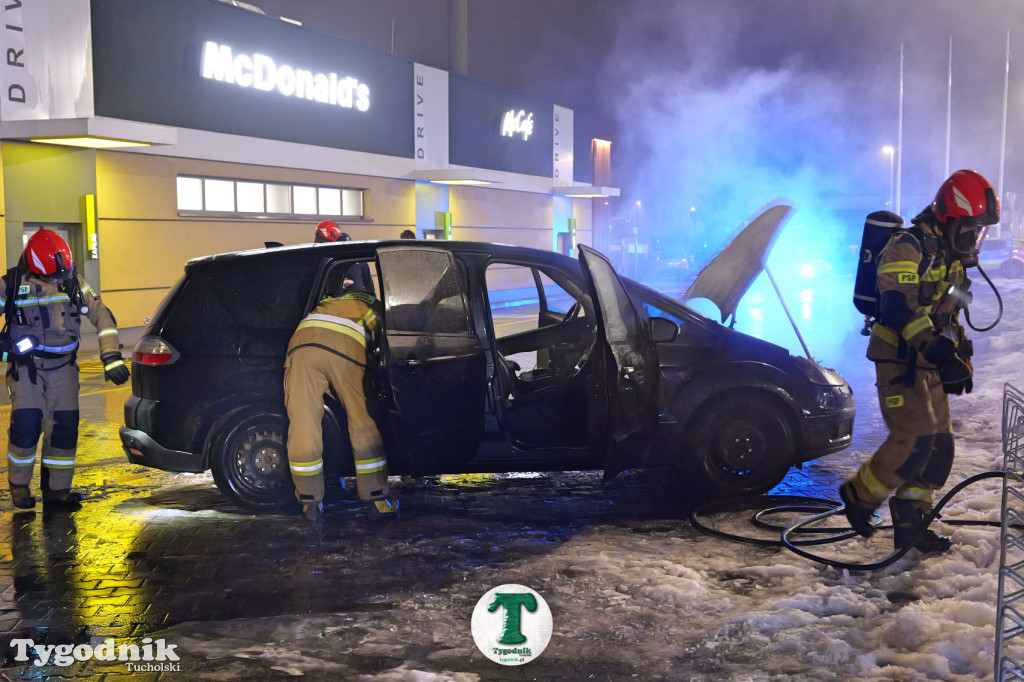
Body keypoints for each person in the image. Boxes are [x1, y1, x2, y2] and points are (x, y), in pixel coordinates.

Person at [839, 169, 999, 554]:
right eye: (970, 229)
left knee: (939, 447)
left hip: (930, 361)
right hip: (898, 358)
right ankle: (859, 496)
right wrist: (939, 352)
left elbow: (950, 314)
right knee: (914, 441)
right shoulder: (906, 246)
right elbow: (898, 308)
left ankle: (912, 521)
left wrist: (960, 353)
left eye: (979, 232)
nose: (974, 239)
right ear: (949, 219)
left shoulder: (951, 258)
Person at [2, 229, 130, 511]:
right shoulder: (10, 284)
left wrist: (111, 355)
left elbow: (102, 314)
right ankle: (19, 486)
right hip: (27, 369)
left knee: (64, 429)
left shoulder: (72, 281)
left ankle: (57, 491)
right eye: (51, 276)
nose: (56, 280)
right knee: (26, 424)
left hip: (64, 369)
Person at [283, 262, 398, 522]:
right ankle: (376, 498)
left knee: (303, 425)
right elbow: (388, 346)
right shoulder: (373, 305)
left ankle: (310, 502)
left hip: (300, 347)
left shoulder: (328, 301)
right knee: (363, 421)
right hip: (344, 350)